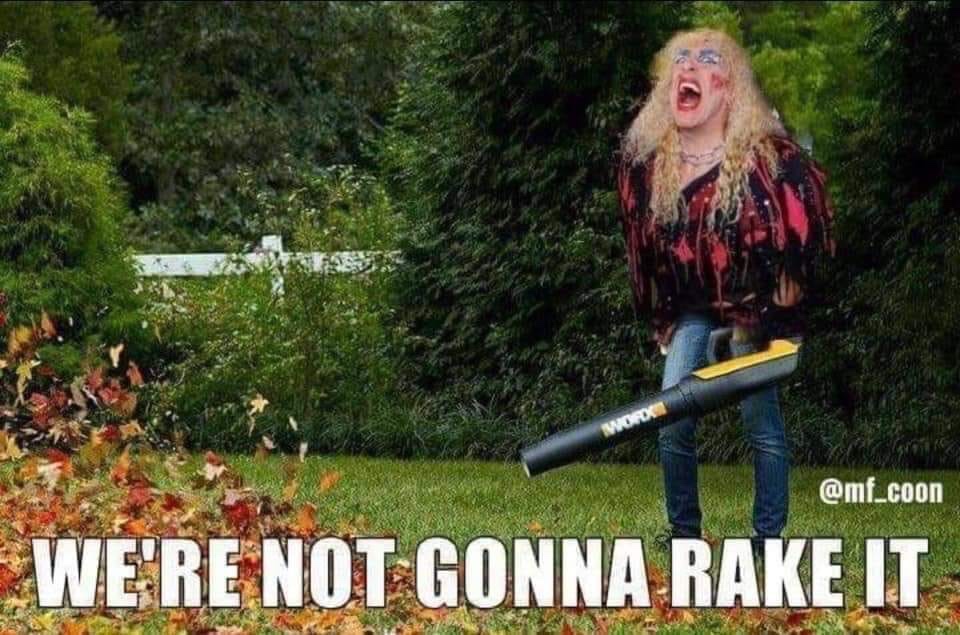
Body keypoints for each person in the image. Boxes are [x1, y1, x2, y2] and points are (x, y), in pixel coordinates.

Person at [616, 29, 834, 551]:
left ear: (729, 85)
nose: (689, 66)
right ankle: (684, 533)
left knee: (761, 424)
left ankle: (767, 540)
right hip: (693, 310)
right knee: (671, 418)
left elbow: (804, 222)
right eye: (681, 58)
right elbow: (651, 248)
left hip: (751, 311)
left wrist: (787, 300)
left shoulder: (766, 157)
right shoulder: (658, 163)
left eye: (708, 59)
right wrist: (663, 316)